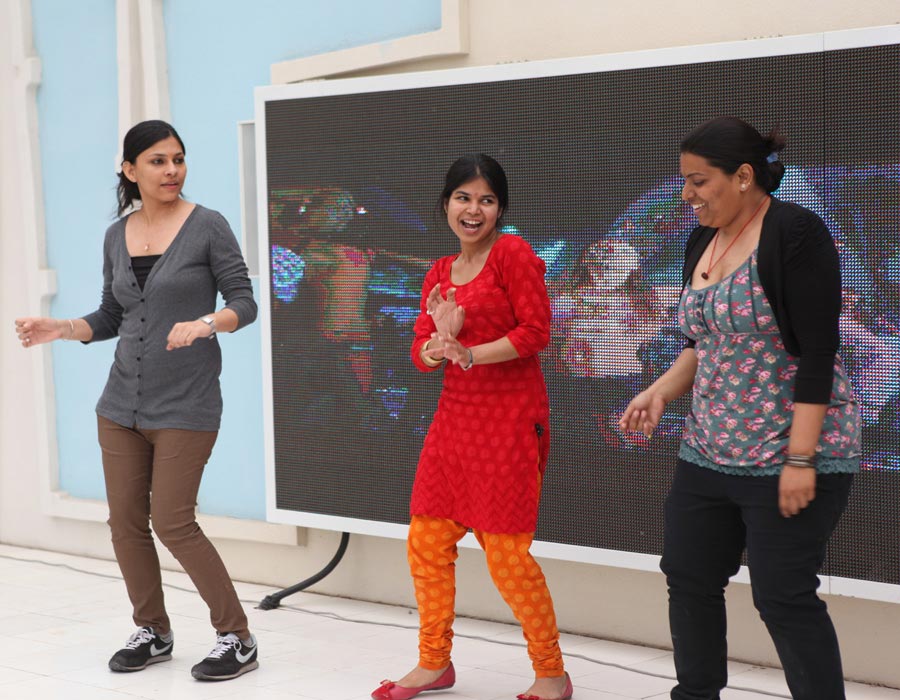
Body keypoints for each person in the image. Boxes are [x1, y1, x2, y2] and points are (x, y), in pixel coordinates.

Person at [620, 116, 861, 700]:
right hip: (708, 450)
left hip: (790, 451)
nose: (687, 195)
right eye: (685, 181)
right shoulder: (702, 239)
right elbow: (703, 343)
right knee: (689, 576)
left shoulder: (796, 233)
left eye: (699, 181)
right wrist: (658, 391)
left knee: (782, 593)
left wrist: (800, 459)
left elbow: (818, 351)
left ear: (744, 176)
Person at [14, 120, 260, 681]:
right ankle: (153, 630)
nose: (172, 170)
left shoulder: (207, 227)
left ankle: (236, 637)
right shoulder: (116, 235)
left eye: (178, 159)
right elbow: (111, 315)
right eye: (157, 161)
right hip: (120, 404)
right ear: (130, 170)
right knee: (125, 524)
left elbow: (245, 303)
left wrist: (204, 323)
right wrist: (62, 327)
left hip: (187, 403)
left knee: (173, 522)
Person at [371, 155, 572, 700]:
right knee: (427, 542)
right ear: (446, 204)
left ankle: (551, 674)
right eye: (463, 197)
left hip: (507, 422)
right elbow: (419, 352)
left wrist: (466, 352)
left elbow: (536, 332)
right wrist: (438, 346)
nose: (473, 209)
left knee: (507, 556)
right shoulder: (438, 272)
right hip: (453, 426)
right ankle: (434, 663)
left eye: (486, 199)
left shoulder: (512, 254)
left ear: (500, 208)